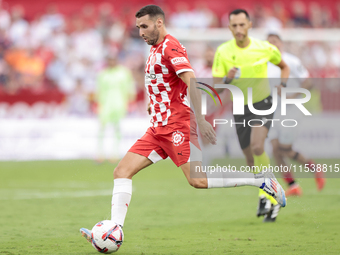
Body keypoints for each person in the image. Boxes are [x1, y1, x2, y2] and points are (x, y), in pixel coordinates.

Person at [80, 5, 286, 244]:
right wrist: (154, 104)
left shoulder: (171, 46)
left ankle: (260, 180)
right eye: (138, 28)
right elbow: (165, 83)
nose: (141, 32)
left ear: (159, 23)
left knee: (197, 180)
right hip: (158, 128)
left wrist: (199, 119)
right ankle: (114, 230)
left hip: (178, 125)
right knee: (122, 171)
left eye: (144, 26)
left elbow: (192, 82)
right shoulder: (155, 48)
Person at [212, 9, 290, 222]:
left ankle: (268, 196)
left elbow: (284, 66)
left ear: (250, 25)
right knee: (249, 159)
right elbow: (216, 88)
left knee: (258, 147)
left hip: (263, 102)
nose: (238, 29)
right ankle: (268, 195)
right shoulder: (223, 52)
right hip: (240, 107)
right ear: (229, 28)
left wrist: (283, 84)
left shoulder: (264, 48)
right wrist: (227, 79)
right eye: (234, 26)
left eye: (241, 25)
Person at [267, 33, 326, 197]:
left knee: (285, 149)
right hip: (271, 111)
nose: (272, 44)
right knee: (275, 150)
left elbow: (308, 83)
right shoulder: (264, 64)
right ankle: (293, 185)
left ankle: (314, 168)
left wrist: (291, 96)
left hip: (290, 110)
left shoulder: (291, 61)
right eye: (269, 42)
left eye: (275, 41)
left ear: (281, 43)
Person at [96, 54, 135, 162]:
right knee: (102, 129)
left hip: (119, 105)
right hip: (105, 105)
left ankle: (115, 153)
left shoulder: (124, 73)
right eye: (109, 59)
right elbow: (99, 90)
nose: (111, 62)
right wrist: (98, 103)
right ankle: (100, 154)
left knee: (117, 129)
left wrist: (130, 102)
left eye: (113, 59)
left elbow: (130, 88)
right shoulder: (102, 74)